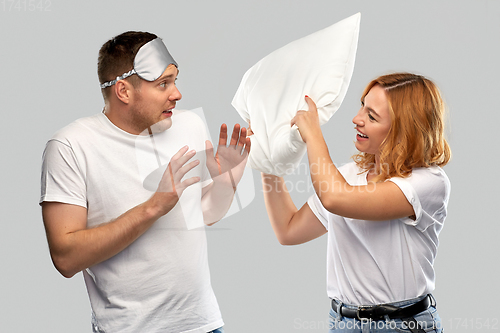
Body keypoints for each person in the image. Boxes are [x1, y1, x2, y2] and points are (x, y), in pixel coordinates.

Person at [40, 31, 250, 333]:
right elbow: (65, 258)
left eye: (175, 80)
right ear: (123, 91)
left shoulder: (189, 124)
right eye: (163, 84)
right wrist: (153, 207)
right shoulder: (70, 146)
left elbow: (205, 214)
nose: (177, 94)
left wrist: (228, 179)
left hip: (204, 324)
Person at [260, 73, 450, 333]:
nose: (357, 118)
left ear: (404, 129)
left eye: (372, 116)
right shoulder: (348, 177)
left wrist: (313, 134)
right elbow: (288, 229)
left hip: (400, 325)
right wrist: (267, 160)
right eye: (362, 106)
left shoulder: (427, 182)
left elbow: (335, 197)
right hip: (343, 323)